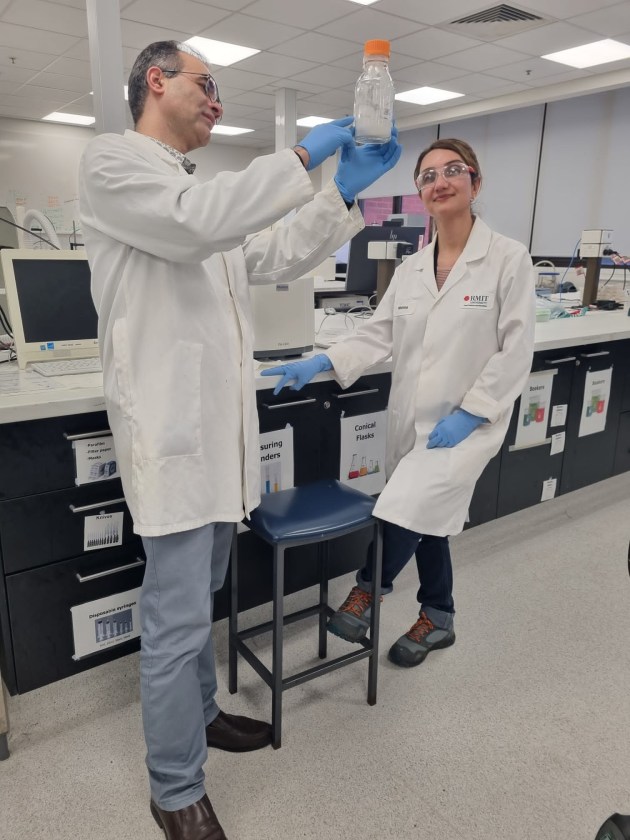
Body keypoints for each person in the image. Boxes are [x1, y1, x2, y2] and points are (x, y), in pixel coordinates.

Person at [78, 40, 401, 840]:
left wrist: (339, 196)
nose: (218, 101)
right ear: (156, 81)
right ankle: (175, 786)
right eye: (207, 84)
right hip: (175, 439)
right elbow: (199, 228)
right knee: (179, 618)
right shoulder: (114, 166)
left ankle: (202, 715)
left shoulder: (192, 189)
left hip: (218, 445)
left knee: (198, 606)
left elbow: (269, 251)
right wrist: (297, 155)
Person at [262, 138, 536, 671]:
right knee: (428, 515)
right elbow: (375, 334)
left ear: (475, 183)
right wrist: (320, 363)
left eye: (453, 171)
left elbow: (516, 347)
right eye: (428, 175)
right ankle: (439, 615)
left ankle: (369, 588)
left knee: (405, 504)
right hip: (410, 418)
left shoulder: (507, 258)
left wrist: (474, 411)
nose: (440, 181)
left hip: (468, 424)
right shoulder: (412, 270)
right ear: (420, 193)